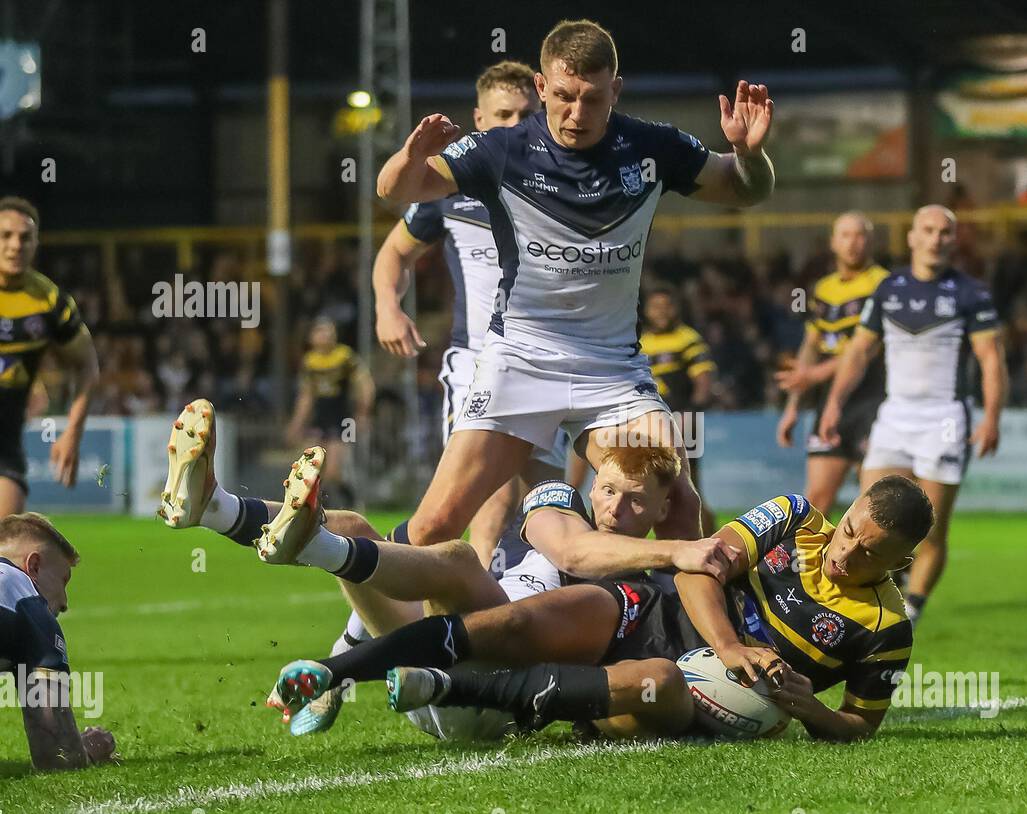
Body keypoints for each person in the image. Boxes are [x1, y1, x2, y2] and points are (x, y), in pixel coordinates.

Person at [374, 17, 776, 552]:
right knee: (435, 526)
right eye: (563, 96)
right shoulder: (503, 149)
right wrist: (408, 154)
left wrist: (749, 156)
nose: (576, 113)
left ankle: (681, 636)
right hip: (519, 359)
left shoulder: (652, 148)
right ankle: (402, 624)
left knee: (679, 505)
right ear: (541, 87)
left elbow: (744, 192)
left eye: (592, 98)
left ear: (616, 89)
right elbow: (393, 189)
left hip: (610, 372)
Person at [268, 476, 933, 743]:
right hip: (655, 611)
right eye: (849, 530)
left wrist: (807, 707)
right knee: (521, 620)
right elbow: (700, 565)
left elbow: (857, 725)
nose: (845, 554)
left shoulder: (886, 629)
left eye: (869, 554)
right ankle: (339, 671)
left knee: (658, 680)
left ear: (899, 564)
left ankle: (446, 684)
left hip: (705, 692)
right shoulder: (793, 516)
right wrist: (732, 643)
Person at [250, 440, 736, 738]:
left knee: (456, 558)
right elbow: (568, 546)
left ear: (660, 509)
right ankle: (220, 509)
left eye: (635, 501)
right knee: (357, 526)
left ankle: (314, 554)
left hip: (493, 694)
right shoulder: (555, 514)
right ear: (590, 487)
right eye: (608, 491)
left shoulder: (648, 587)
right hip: (422, 672)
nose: (615, 509)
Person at [373, 60, 569, 568]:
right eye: (502, 113)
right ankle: (466, 618)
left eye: (526, 112)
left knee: (552, 499)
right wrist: (387, 307)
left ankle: (546, 616)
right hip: (479, 361)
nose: (515, 123)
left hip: (551, 363)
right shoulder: (453, 188)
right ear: (479, 119)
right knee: (490, 492)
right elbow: (394, 252)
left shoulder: (564, 180)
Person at [818, 205, 1008, 627]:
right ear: (912, 237)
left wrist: (992, 417)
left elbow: (991, 359)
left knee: (931, 529)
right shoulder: (889, 288)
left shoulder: (970, 292)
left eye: (945, 232)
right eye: (928, 230)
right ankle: (863, 603)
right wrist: (833, 403)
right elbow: (860, 351)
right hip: (894, 416)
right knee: (865, 521)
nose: (936, 239)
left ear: (953, 240)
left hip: (945, 419)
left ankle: (911, 610)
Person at [776, 211, 890, 514]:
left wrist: (814, 375)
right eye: (846, 235)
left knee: (878, 504)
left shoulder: (884, 285)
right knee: (816, 500)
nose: (853, 243)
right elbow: (811, 345)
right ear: (833, 243)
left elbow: (869, 348)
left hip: (876, 398)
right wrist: (792, 408)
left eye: (860, 235)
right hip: (833, 404)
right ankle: (812, 562)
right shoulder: (824, 289)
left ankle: (896, 561)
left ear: (871, 241)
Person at [0, 196, 100, 516]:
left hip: (5, 452)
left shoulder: (50, 303)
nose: (16, 245)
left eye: (25, 237)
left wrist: (73, 432)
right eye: (6, 236)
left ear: (36, 243)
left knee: (5, 553)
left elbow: (87, 366)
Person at [0, 512, 115, 771]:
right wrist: (89, 748)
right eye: (63, 581)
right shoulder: (26, 599)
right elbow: (58, 756)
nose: (64, 602)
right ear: (35, 566)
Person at [636, 285, 716, 532]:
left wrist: (694, 409)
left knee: (689, 484)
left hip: (683, 418)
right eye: (655, 307)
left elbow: (703, 378)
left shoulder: (687, 337)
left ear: (676, 309)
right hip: (647, 421)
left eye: (666, 306)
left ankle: (709, 537)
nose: (661, 312)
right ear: (646, 311)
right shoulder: (640, 342)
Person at [285, 319, 374, 509]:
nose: (325, 335)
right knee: (314, 468)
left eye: (328, 331)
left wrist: (363, 413)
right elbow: (306, 396)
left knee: (335, 470)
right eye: (319, 331)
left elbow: (364, 384)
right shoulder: (310, 362)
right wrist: (297, 424)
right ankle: (319, 507)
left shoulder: (345, 356)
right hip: (320, 420)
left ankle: (352, 499)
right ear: (311, 337)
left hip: (344, 419)